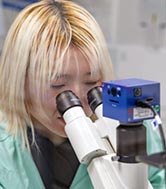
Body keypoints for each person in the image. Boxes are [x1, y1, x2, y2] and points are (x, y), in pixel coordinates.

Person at [0, 0, 164, 189]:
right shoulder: (4, 150)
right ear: (21, 83)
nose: (78, 99)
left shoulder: (132, 129)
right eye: (58, 85)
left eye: (91, 82)